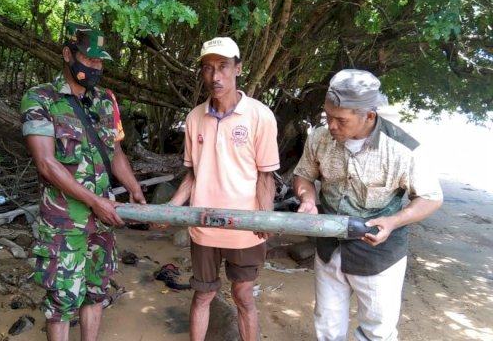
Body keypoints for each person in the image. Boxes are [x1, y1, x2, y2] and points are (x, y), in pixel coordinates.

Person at [293, 69, 444, 341]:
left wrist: (394, 221)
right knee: (326, 325)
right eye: (327, 116)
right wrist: (308, 199)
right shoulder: (319, 137)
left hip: (379, 254)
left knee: (378, 331)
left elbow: (431, 197)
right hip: (329, 246)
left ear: (369, 116)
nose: (331, 126)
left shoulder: (401, 150)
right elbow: (303, 175)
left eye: (341, 120)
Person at [20, 22, 146, 341]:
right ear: (67, 54)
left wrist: (133, 188)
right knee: (62, 300)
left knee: (96, 291)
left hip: (102, 221)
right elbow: (47, 164)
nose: (94, 68)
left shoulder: (106, 100)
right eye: (88, 60)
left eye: (99, 62)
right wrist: (94, 202)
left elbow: (115, 151)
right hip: (64, 221)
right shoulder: (40, 99)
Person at [168, 37, 280, 341]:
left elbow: (265, 176)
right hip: (203, 227)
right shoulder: (194, 118)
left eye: (223, 67)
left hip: (244, 229)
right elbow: (192, 175)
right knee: (203, 296)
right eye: (208, 69)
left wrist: (265, 217)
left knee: (244, 296)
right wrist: (171, 207)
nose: (215, 77)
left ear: (238, 68)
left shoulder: (260, 116)